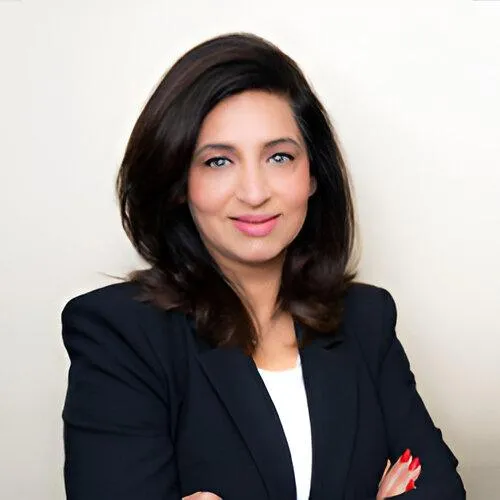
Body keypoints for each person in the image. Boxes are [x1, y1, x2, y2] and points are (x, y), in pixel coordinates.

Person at [61, 32, 466, 499]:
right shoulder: (118, 334)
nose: (254, 193)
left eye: (279, 157)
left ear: (312, 175)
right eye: (218, 161)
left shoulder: (366, 319)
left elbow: (440, 489)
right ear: (179, 182)